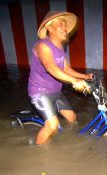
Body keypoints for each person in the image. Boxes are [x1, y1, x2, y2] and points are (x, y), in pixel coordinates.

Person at [28, 11, 93, 145]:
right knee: (52, 126)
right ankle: (38, 153)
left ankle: (68, 142)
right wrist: (74, 81)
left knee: (72, 117)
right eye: (61, 25)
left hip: (56, 91)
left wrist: (85, 76)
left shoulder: (60, 47)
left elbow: (66, 69)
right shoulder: (42, 45)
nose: (65, 28)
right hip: (40, 92)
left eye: (65, 25)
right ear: (49, 28)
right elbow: (50, 67)